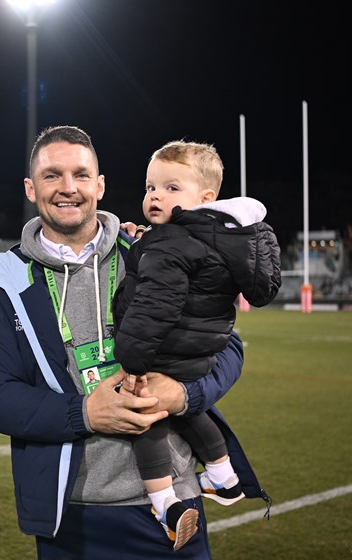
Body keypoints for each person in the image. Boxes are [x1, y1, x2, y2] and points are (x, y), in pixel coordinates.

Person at [0, 125, 268, 558]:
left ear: (100, 185)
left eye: (81, 175)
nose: (68, 188)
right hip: (70, 514)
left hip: (170, 510)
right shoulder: (5, 277)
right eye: (52, 176)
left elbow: (228, 346)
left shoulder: (148, 249)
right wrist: (85, 412)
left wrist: (182, 394)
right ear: (31, 189)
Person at [112, 140, 280, 544]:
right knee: (190, 412)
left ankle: (165, 503)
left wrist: (132, 361)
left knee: (145, 417)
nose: (155, 196)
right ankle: (224, 477)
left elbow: (155, 306)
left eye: (171, 188)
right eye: (151, 186)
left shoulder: (171, 244)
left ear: (205, 199)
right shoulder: (220, 239)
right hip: (201, 354)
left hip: (166, 351)